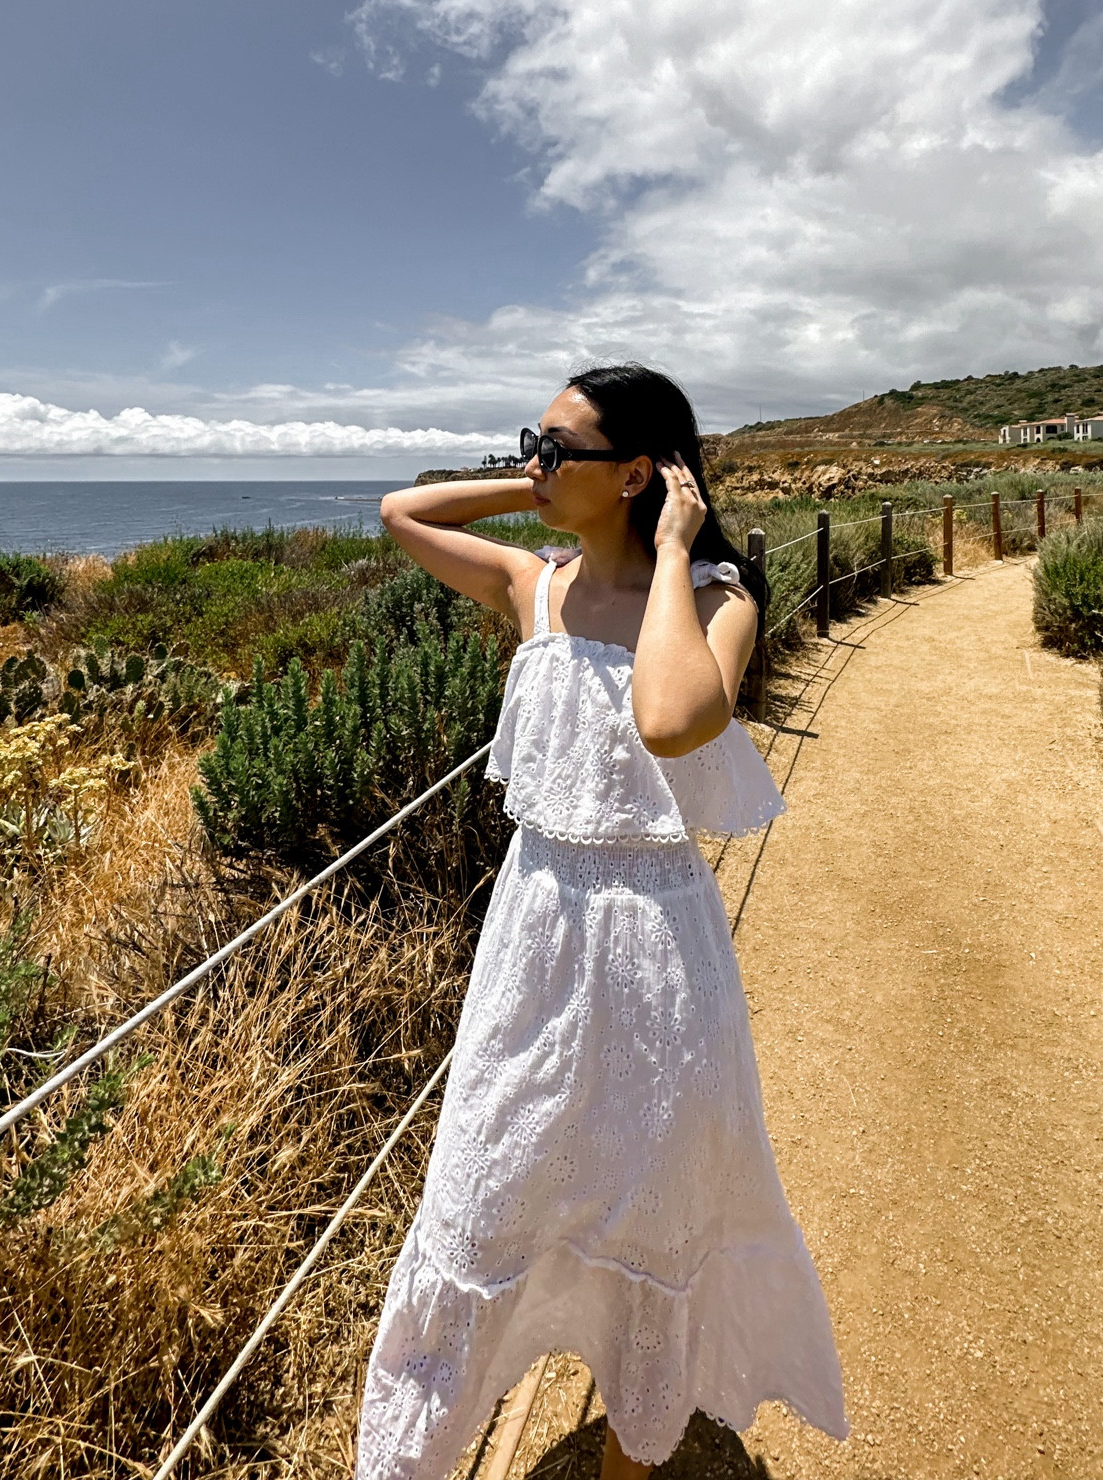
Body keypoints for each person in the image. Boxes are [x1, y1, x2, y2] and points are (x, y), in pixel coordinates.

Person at [355, 364, 847, 1479]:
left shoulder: (720, 601)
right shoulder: (534, 583)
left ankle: (638, 1448)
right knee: (485, 1193)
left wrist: (673, 546)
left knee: (647, 1206)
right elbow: (401, 513)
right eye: (528, 437)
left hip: (657, 949)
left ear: (637, 472)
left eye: (557, 444)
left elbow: (673, 717)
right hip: (533, 935)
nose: (532, 457)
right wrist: (532, 479)